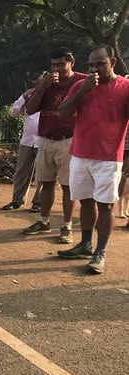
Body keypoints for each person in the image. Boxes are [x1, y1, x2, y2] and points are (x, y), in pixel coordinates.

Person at [55, 45, 129, 274]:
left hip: (109, 158)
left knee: (105, 205)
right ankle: (86, 244)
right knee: (86, 201)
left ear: (112, 62)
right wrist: (83, 91)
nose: (94, 69)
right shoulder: (81, 85)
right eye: (91, 65)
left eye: (100, 64)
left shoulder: (125, 88)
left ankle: (100, 252)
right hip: (80, 154)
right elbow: (62, 113)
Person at [22, 48, 87, 243]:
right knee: (46, 182)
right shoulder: (47, 83)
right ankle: (44, 221)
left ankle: (67, 226)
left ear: (71, 63)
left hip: (70, 140)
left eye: (61, 64)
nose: (56, 69)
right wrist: (43, 86)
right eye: (53, 65)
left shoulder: (82, 82)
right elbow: (30, 109)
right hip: (46, 139)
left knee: (68, 186)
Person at [2, 71, 48, 212]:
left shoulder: (50, 97)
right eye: (35, 83)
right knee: (21, 172)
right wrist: (23, 96)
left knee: (42, 173)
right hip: (27, 141)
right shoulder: (29, 97)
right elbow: (13, 112)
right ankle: (17, 200)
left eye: (39, 83)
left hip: (43, 141)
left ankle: (38, 202)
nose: (36, 86)